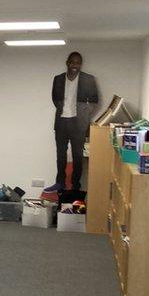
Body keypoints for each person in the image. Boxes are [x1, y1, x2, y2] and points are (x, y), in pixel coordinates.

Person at [49, 52, 99, 192]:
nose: (74, 65)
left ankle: (75, 185)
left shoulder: (88, 79)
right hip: (61, 122)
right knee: (60, 154)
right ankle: (60, 183)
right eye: (72, 62)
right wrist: (63, 110)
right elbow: (55, 98)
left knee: (78, 156)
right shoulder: (58, 79)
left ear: (81, 64)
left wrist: (83, 113)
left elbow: (94, 101)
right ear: (67, 62)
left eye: (77, 63)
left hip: (79, 123)